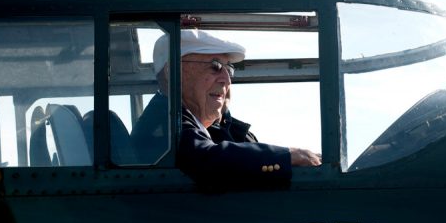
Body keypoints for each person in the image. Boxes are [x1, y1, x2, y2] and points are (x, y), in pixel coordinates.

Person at [131, 29, 320, 185]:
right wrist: (288, 156)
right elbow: (206, 160)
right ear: (173, 72)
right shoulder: (163, 122)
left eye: (228, 69)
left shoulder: (184, 119)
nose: (227, 79)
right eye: (215, 66)